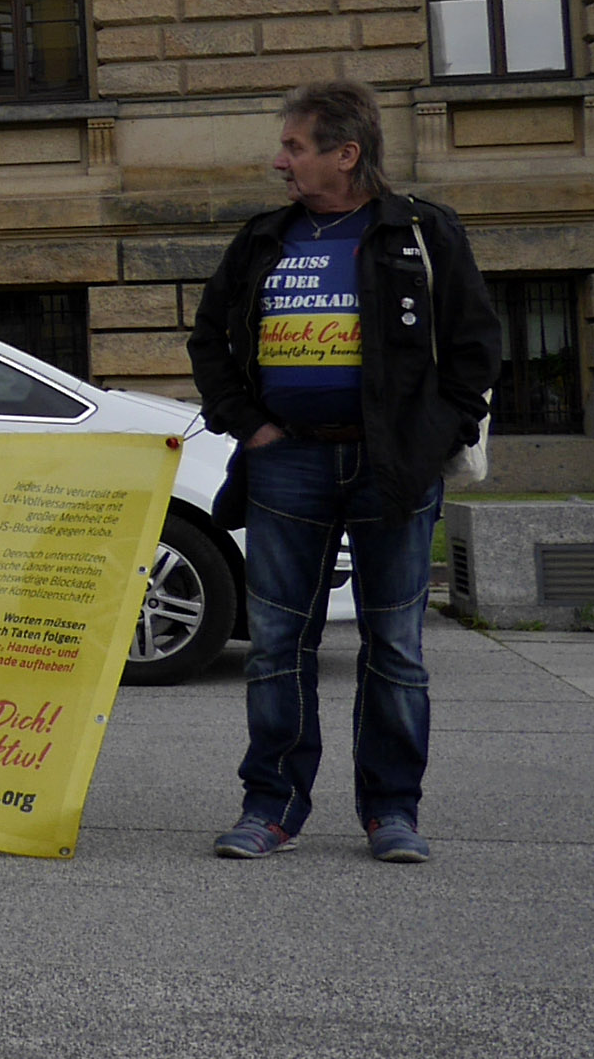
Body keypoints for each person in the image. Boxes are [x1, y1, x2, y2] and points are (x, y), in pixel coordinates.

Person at [189, 80, 502, 866]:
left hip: (391, 469)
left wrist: (433, 439)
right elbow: (209, 340)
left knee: (393, 645)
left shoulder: (423, 233)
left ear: (346, 154)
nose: (279, 161)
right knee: (275, 646)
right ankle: (272, 807)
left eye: (294, 147)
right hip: (286, 460)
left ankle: (392, 811)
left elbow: (475, 352)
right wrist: (249, 424)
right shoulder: (265, 239)